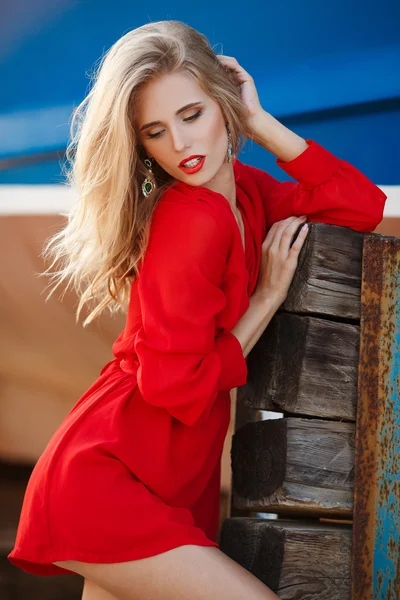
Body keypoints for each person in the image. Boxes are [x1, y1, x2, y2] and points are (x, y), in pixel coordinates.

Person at [8, 20, 386, 600]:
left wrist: (260, 123)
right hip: (113, 480)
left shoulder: (249, 195)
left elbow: (360, 204)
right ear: (140, 146)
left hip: (160, 481)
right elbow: (172, 386)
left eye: (193, 115)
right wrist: (264, 301)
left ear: (224, 103)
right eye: (156, 132)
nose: (182, 146)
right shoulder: (190, 219)